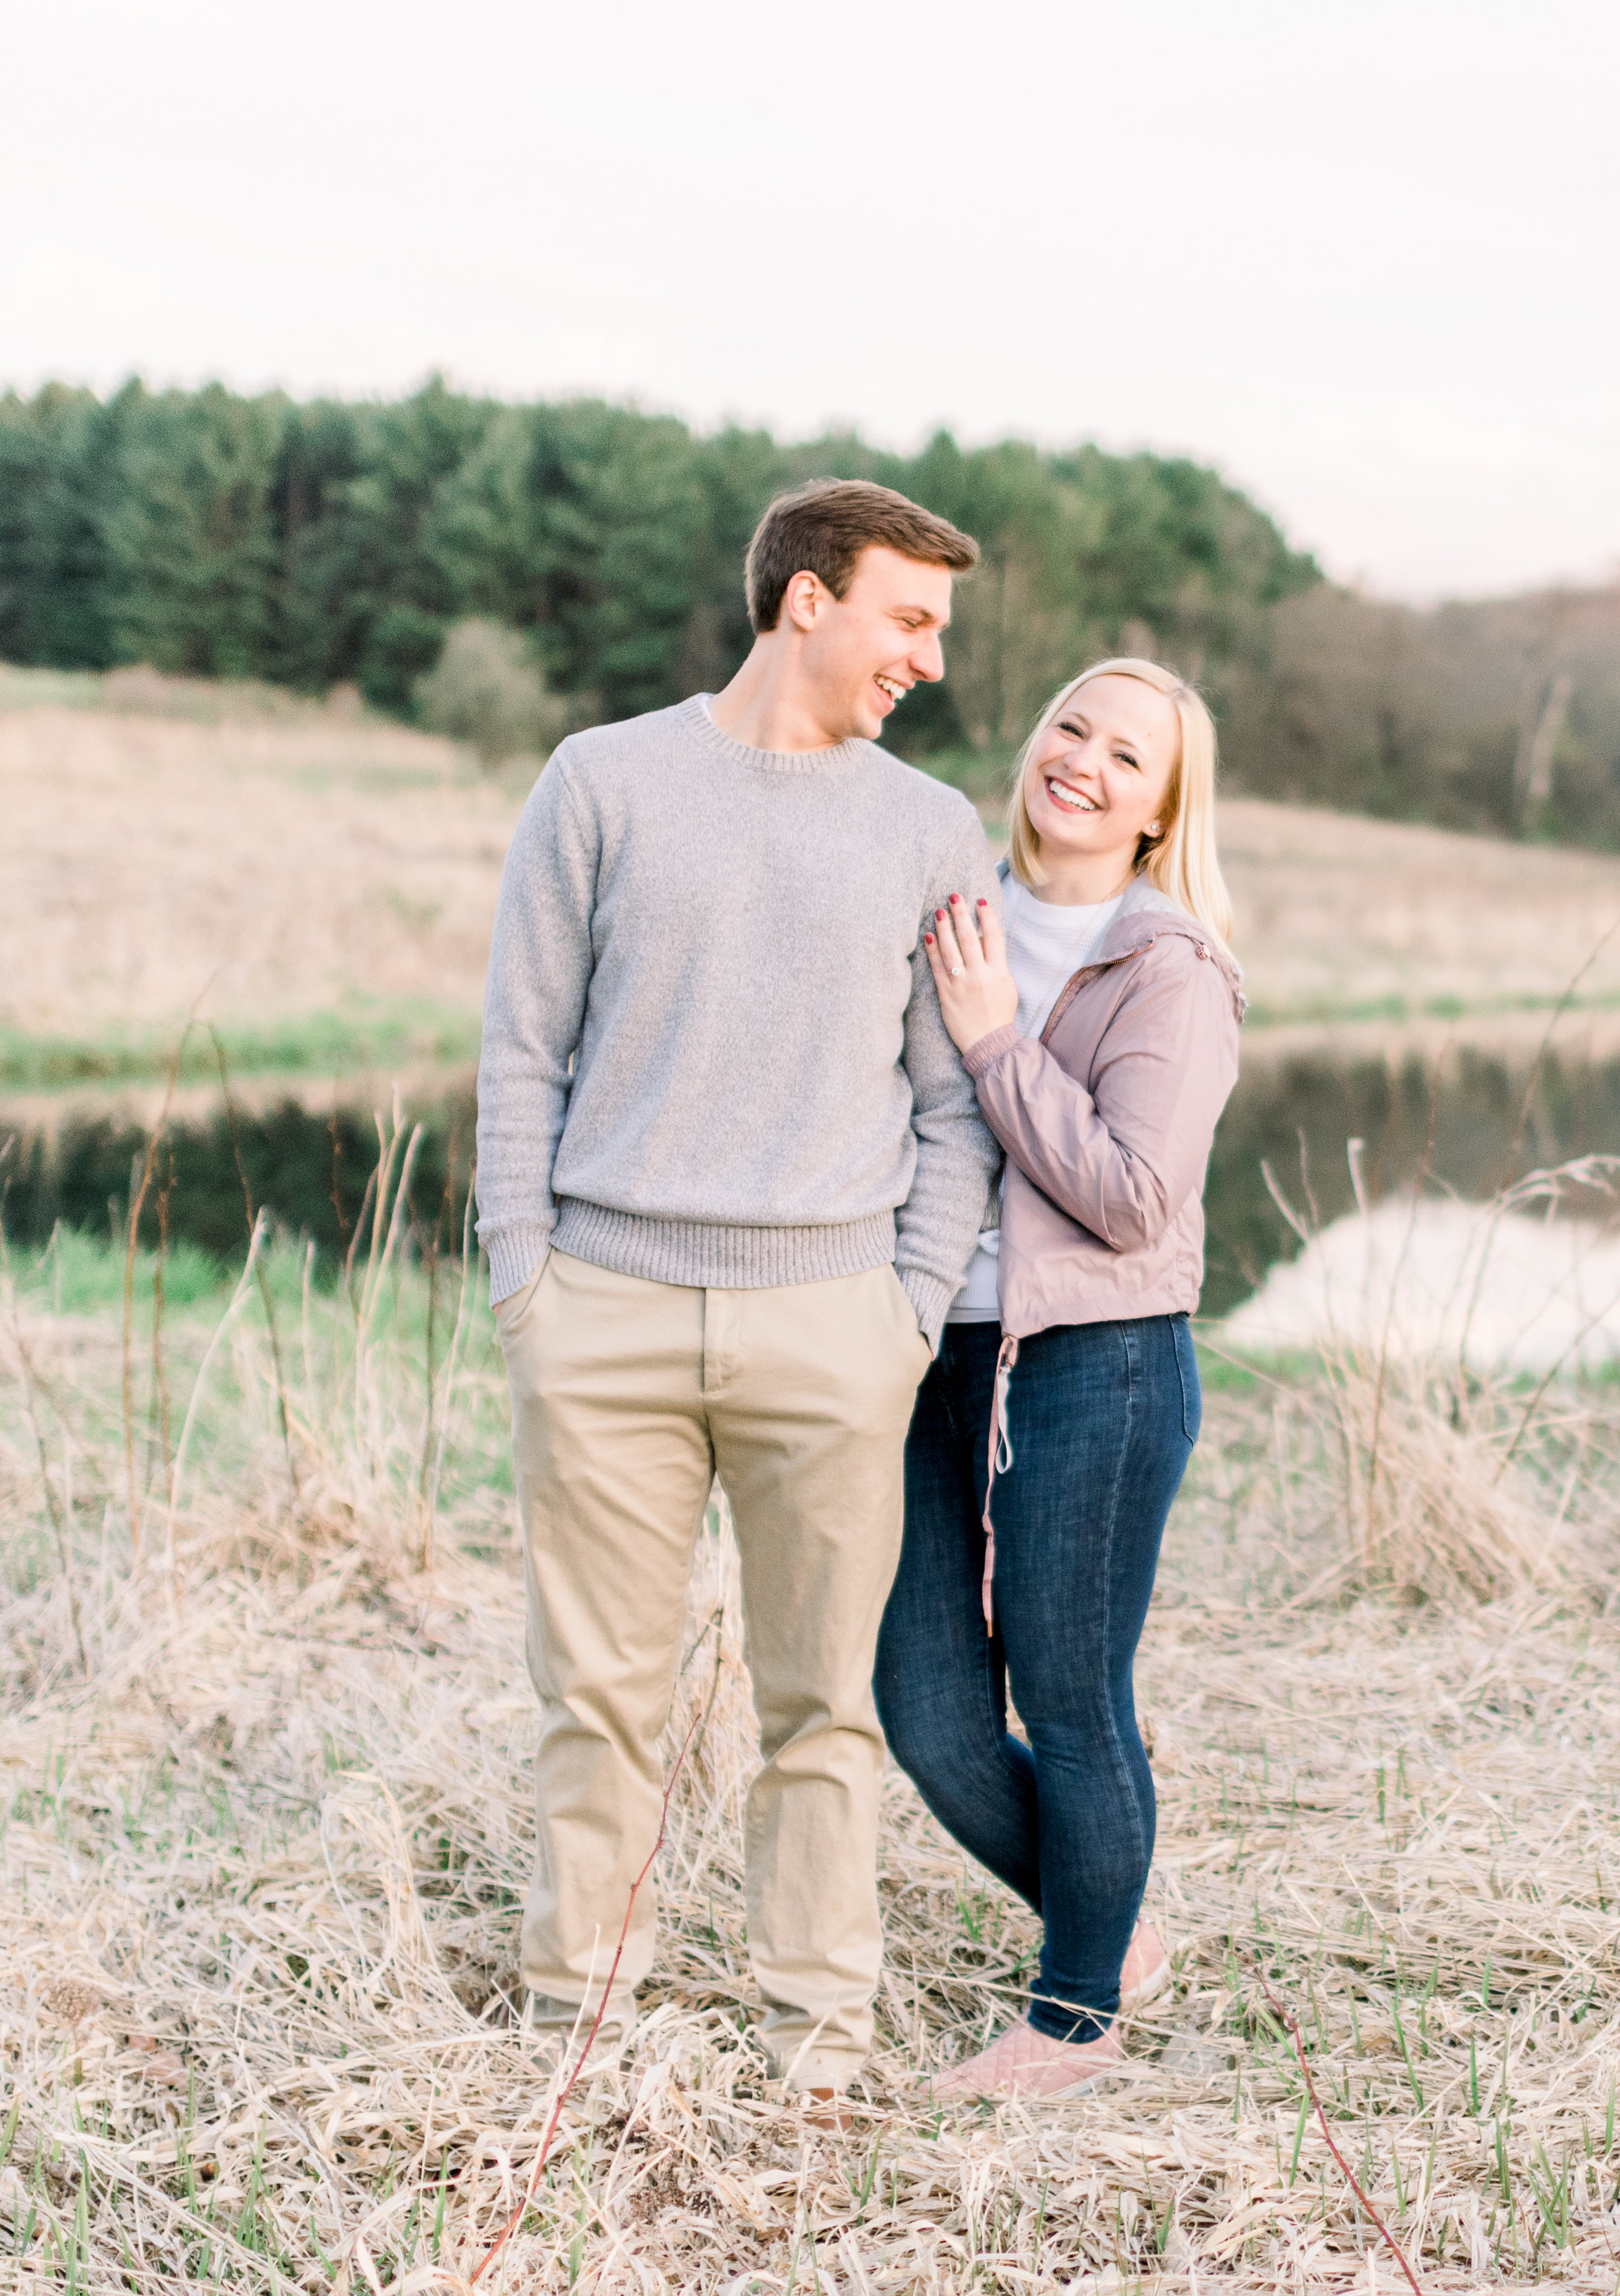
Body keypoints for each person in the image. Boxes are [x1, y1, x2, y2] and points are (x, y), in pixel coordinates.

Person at [477, 479, 997, 2101]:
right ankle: (577, 2035)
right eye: (908, 618)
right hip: (605, 1316)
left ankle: (817, 2047)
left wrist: (905, 1310)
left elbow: (952, 1101)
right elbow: (520, 1050)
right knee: (599, 1705)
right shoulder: (601, 784)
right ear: (806, 602)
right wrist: (529, 1286)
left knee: (819, 1713)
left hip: (830, 1328)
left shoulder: (929, 827)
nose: (927, 657)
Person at [878, 657, 1244, 2101]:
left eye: (1127, 755)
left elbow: (1135, 1194)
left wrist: (992, 1041)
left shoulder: (1170, 967)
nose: (1083, 760)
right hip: (926, 1352)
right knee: (925, 1708)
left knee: (1073, 1699)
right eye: (1070, 727)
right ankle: (1118, 1929)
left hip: (1096, 1366)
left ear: (1160, 811)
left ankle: (1074, 2016)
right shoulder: (950, 904)